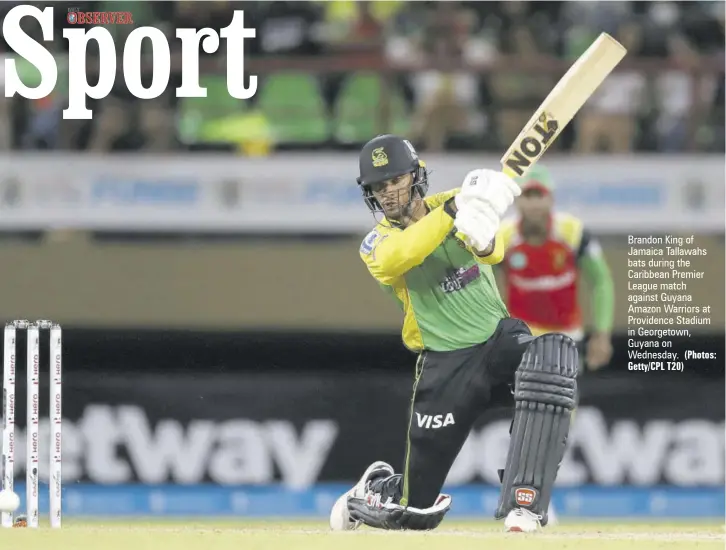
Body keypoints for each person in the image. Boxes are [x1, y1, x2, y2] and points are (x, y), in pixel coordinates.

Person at [329, 135, 579, 533]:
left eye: (396, 180)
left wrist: (482, 236)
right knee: (415, 513)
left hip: (498, 341)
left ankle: (525, 502)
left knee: (549, 366)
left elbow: (493, 253)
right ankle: (373, 489)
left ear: (415, 176)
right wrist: (455, 209)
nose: (389, 192)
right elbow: (403, 255)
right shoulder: (376, 243)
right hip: (444, 365)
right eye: (379, 186)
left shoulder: (459, 200)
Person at [497, 165, 615, 371]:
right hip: (520, 336)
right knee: (521, 401)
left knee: (562, 401)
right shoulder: (502, 237)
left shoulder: (573, 233)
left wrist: (602, 334)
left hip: (566, 336)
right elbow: (479, 280)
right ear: (517, 201)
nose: (534, 203)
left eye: (539, 195)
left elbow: (601, 281)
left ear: (551, 199)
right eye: (527, 195)